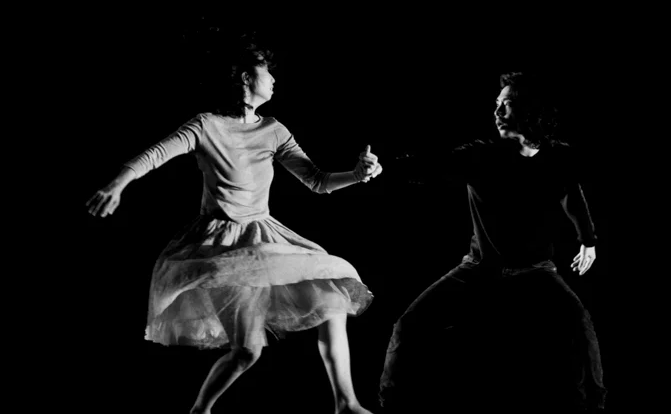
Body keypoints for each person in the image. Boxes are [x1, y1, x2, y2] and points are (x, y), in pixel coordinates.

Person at [86, 39, 383, 414]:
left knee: (333, 295)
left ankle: (347, 403)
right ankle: (200, 411)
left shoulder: (273, 130)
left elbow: (318, 180)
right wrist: (116, 185)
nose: (273, 79)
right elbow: (155, 155)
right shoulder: (206, 125)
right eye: (266, 70)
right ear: (245, 77)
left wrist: (357, 175)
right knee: (247, 352)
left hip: (264, 238)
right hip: (222, 246)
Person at [378, 72, 607, 413]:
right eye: (497, 104)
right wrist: (381, 167)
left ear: (530, 111)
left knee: (580, 330)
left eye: (507, 104)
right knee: (408, 327)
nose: (497, 112)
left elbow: (571, 195)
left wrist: (588, 241)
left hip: (536, 271)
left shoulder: (559, 158)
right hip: (479, 269)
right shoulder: (481, 155)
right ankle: (390, 405)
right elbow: (429, 166)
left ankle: (593, 406)